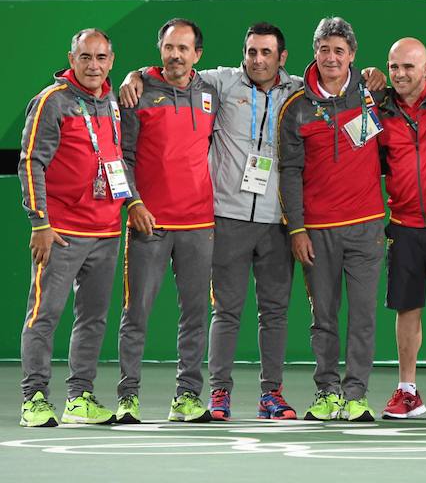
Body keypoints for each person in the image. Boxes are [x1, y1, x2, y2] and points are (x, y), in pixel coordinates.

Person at [118, 23, 386, 421]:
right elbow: (173, 71)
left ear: (282, 58)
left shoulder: (299, 91)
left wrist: (372, 76)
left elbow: (355, 85)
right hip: (226, 218)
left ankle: (270, 395)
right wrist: (134, 74)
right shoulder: (219, 84)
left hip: (277, 222)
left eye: (266, 53)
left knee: (274, 312)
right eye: (251, 52)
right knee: (225, 311)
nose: (257, 60)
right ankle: (220, 394)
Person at [278, 17, 386, 422]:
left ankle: (355, 394)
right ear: (315, 52)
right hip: (317, 231)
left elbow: (424, 93)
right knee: (323, 318)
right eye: (324, 50)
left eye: (339, 51)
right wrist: (298, 228)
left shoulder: (373, 92)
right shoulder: (296, 106)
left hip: (367, 227)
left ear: (352, 56)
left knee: (363, 317)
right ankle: (326, 392)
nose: (331, 58)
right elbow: (289, 171)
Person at [17, 29, 125, 427]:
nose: (93, 65)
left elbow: (115, 160)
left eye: (100, 57)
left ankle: (80, 398)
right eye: (85, 57)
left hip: (107, 232)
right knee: (44, 316)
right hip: (60, 232)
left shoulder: (112, 101)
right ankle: (34, 399)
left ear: (111, 60)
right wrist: (39, 222)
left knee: (93, 319)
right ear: (72, 58)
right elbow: (31, 162)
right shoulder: (52, 101)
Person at [117, 18, 218, 423]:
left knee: (195, 315)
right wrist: (134, 203)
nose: (175, 55)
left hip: (199, 225)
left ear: (198, 55)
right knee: (136, 313)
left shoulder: (210, 92)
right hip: (149, 224)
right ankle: (127, 397)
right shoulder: (136, 93)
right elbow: (122, 155)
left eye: (184, 48)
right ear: (159, 49)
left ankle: (188, 397)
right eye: (169, 47)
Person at [376, 38, 426, 419]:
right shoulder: (380, 106)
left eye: (408, 67)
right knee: (407, 309)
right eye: (394, 67)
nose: (400, 74)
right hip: (404, 225)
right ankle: (407, 391)